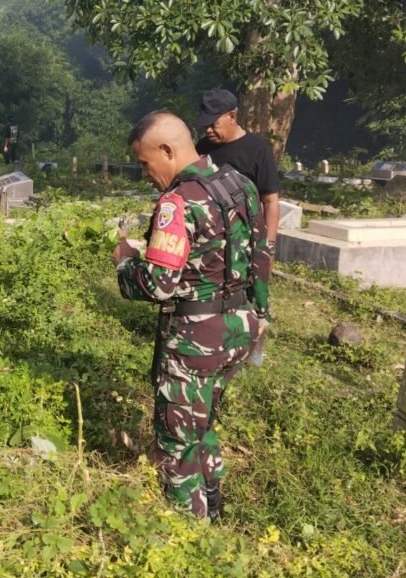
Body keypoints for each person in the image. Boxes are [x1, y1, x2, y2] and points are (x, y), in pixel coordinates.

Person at [112, 111, 270, 519]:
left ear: (167, 150)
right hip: (238, 328)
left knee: (177, 442)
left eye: (146, 163)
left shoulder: (177, 202)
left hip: (194, 339)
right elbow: (262, 256)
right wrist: (261, 314)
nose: (146, 173)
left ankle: (190, 532)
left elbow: (157, 284)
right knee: (203, 422)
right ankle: (213, 503)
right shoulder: (241, 185)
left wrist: (125, 262)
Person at [194, 89, 281, 256]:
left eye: (213, 124)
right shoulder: (203, 147)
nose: (209, 131)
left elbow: (270, 201)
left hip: (243, 241)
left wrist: (269, 247)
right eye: (205, 126)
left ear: (232, 117)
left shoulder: (257, 149)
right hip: (208, 242)